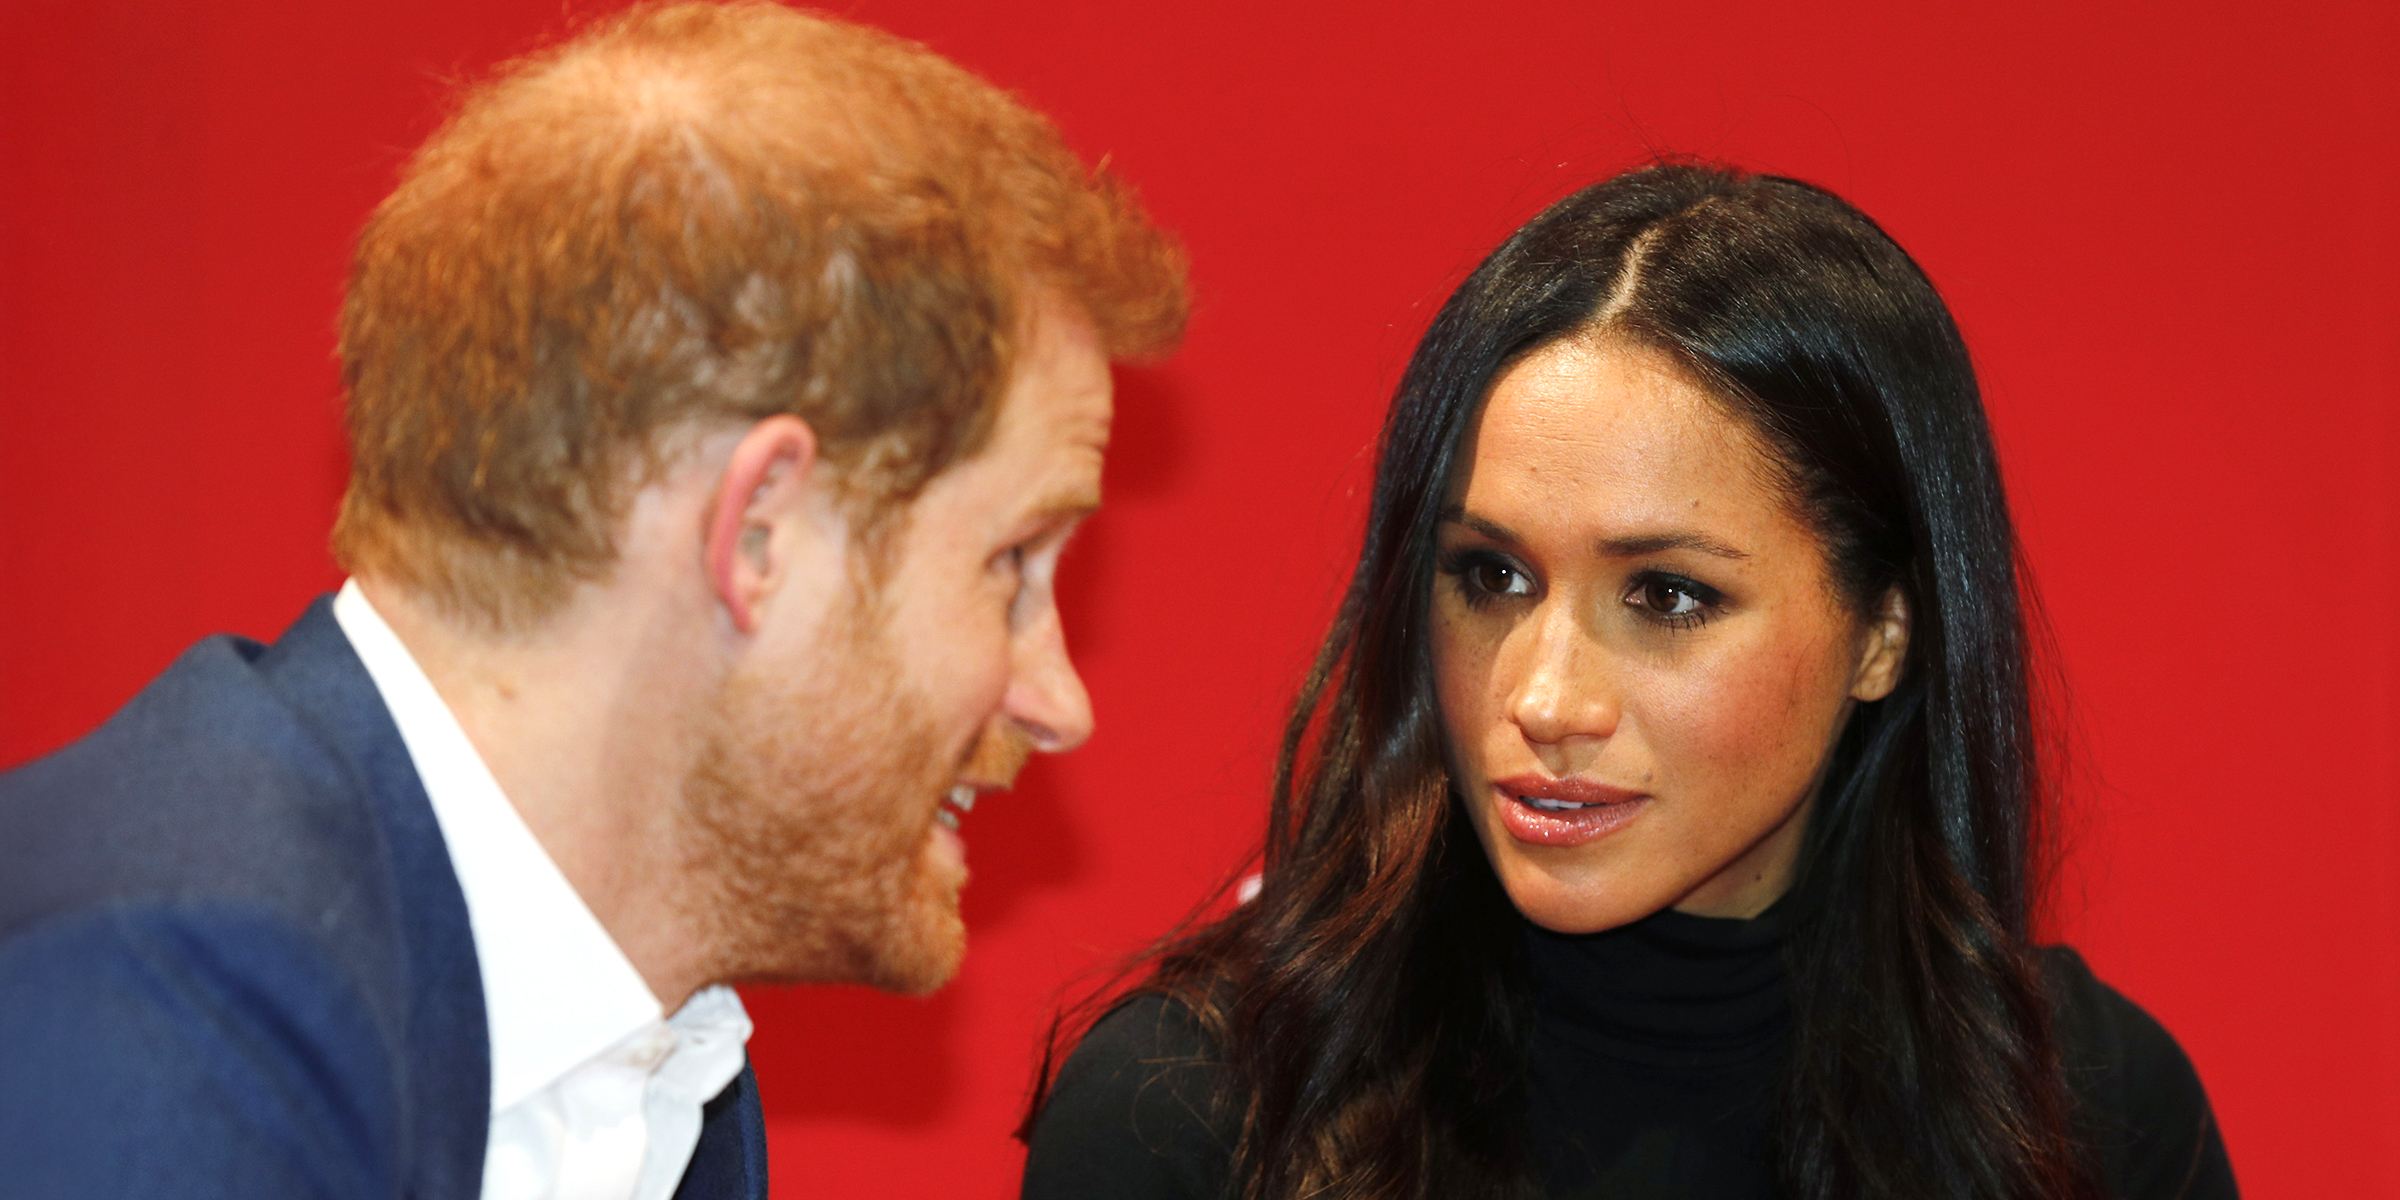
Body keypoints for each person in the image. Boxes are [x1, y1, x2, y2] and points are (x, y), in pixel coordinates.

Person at [0, 4, 1184, 1198]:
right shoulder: (151, 1023)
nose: (1058, 702)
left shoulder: (659, 1073)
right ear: (757, 533)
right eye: (1012, 563)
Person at [1019, 164, 2234, 1200]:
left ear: (1883, 634)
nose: (1543, 700)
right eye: (1490, 575)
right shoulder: (1190, 1116)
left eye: (1666, 596)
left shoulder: (2090, 1110)